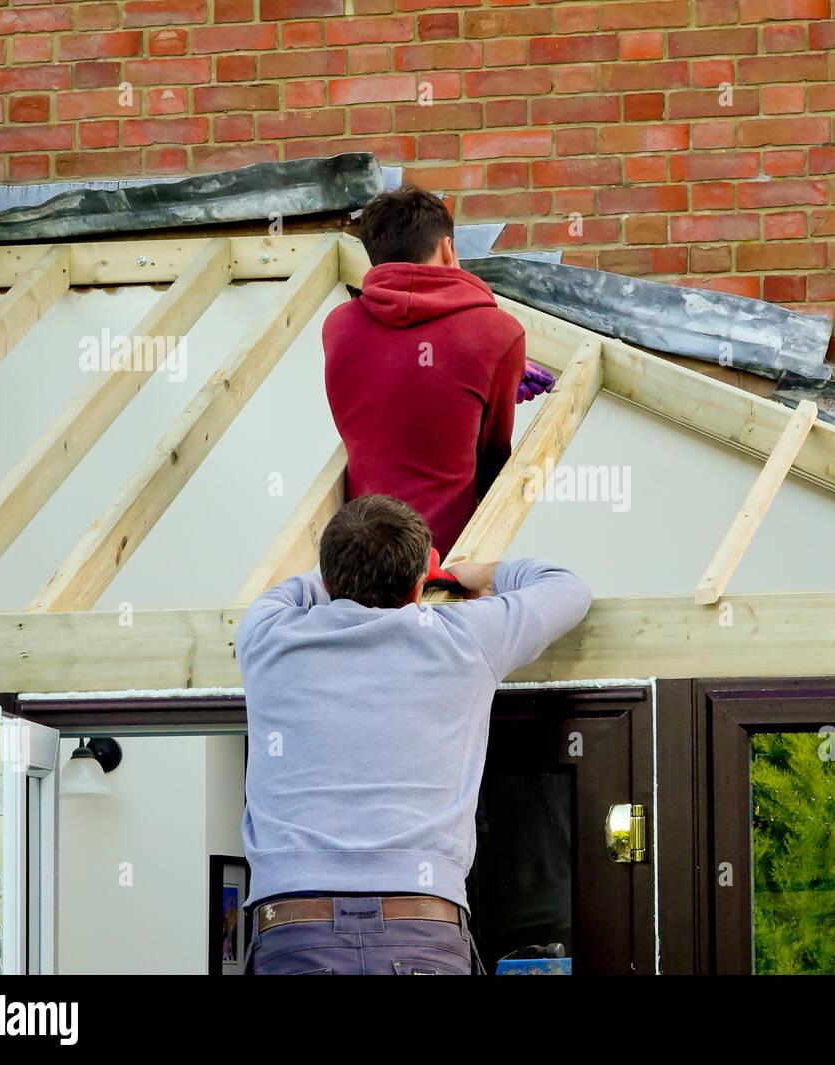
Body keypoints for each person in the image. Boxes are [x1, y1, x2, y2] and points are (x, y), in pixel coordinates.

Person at [236, 493, 592, 975]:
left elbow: (294, 590)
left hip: (295, 928)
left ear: (326, 577)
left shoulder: (266, 637)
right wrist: (483, 574)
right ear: (419, 583)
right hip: (421, 924)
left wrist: (346, 567)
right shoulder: (464, 638)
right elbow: (567, 588)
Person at [324, 185, 552, 566]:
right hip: (445, 561)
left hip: (359, 561)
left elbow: (389, 381)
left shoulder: (338, 327)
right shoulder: (499, 333)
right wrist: (493, 371)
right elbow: (492, 459)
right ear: (448, 249)